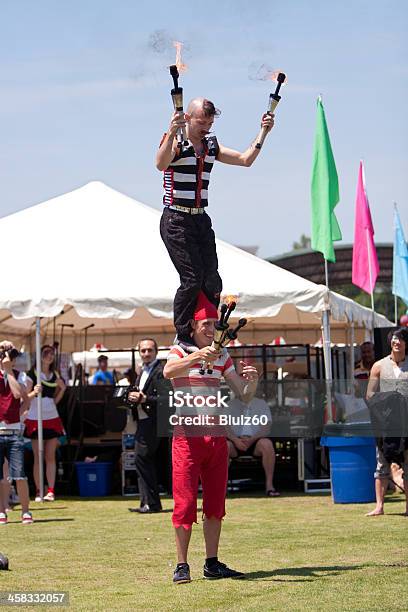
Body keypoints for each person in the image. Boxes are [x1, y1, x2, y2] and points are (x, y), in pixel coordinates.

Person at [157, 97, 275, 344]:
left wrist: (263, 132)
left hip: (201, 220)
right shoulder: (176, 142)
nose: (207, 129)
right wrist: (171, 130)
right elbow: (160, 163)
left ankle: (209, 329)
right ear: (187, 118)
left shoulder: (211, 145)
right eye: (202, 123)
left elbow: (245, 160)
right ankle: (183, 335)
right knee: (191, 279)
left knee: (212, 279)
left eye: (210, 124)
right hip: (176, 220)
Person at [163, 292, 259, 584]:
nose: (210, 328)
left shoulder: (223, 355)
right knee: (184, 503)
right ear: (192, 325)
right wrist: (196, 356)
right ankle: (182, 565)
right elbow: (167, 372)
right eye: (205, 323)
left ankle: (212, 562)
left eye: (213, 323)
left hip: (215, 437)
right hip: (187, 437)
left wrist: (252, 380)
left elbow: (243, 394)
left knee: (216, 503)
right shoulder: (179, 351)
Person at [366, 328, 408, 517]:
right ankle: (379, 506)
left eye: (400, 339)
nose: (396, 342)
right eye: (394, 339)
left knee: (407, 465)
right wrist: (387, 400)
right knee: (381, 465)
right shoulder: (378, 366)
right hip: (385, 424)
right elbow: (369, 395)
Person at [25, 345, 66, 502]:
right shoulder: (31, 374)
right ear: (40, 356)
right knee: (38, 456)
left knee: (50, 456)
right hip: (35, 417)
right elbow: (25, 397)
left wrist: (62, 390)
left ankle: (50, 490)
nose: (49, 356)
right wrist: (34, 392)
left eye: (52, 354)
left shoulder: (55, 375)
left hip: (52, 417)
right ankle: (38, 490)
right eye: (46, 353)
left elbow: (54, 400)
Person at [127, 339, 164, 514]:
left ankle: (152, 503)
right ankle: (146, 502)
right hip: (142, 420)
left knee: (143, 459)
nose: (146, 353)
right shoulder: (142, 370)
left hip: (154, 421)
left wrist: (144, 399)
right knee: (141, 460)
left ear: (156, 351)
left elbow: (167, 399)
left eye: (150, 350)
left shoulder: (161, 370)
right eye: (143, 351)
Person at [0, 340, 33, 524]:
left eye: (10, 356)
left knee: (19, 474)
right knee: (1, 478)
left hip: (14, 433)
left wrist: (8, 371)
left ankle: (25, 511)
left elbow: (18, 395)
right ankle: (2, 510)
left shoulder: (20, 376)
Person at [227, 395, 279, 496]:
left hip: (255, 440)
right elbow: (225, 427)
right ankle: (222, 488)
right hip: (235, 441)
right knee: (224, 446)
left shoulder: (261, 404)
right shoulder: (230, 404)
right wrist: (236, 440)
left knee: (267, 444)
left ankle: (269, 486)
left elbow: (266, 427)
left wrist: (251, 440)